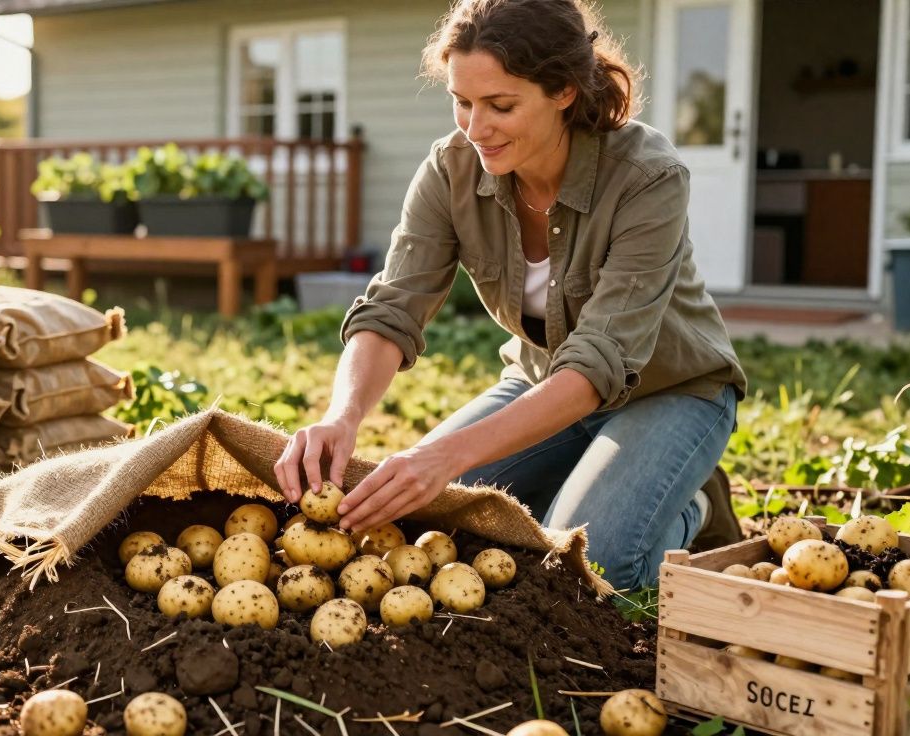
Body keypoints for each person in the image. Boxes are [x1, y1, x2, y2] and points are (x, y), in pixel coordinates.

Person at [273, 0, 748, 591]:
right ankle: (582, 474)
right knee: (428, 524)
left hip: (672, 392)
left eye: (500, 106)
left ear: (564, 92)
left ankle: (693, 507)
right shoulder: (451, 170)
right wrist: (342, 417)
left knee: (590, 568)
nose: (475, 128)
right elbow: (393, 306)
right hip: (540, 382)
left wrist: (447, 458)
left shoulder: (647, 178)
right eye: (462, 101)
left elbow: (599, 361)